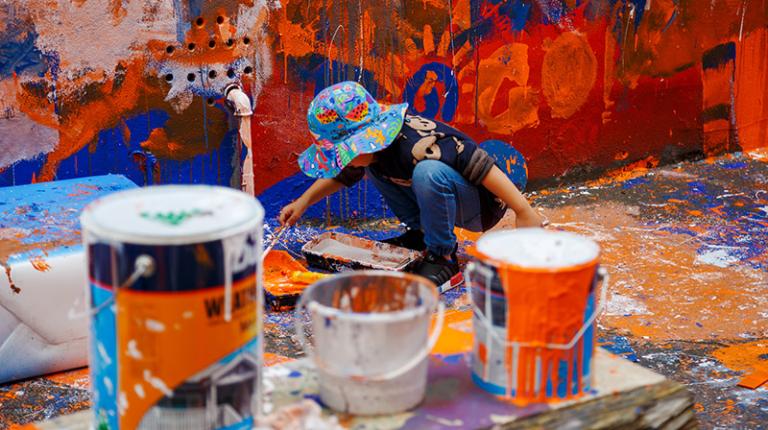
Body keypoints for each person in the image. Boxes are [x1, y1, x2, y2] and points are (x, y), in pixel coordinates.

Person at [279, 81, 544, 288]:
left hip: (480, 204)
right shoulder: (371, 154)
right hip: (443, 198)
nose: (344, 160)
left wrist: (522, 210)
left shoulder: (415, 144)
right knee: (375, 169)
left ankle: (443, 257)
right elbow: (341, 176)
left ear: (365, 138)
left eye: (345, 152)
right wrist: (302, 203)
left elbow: (480, 164)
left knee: (428, 172)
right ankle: (421, 235)